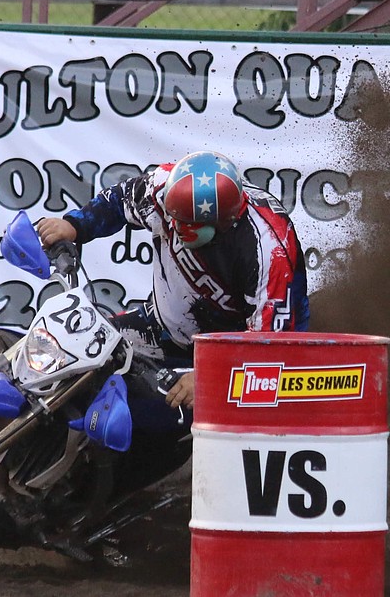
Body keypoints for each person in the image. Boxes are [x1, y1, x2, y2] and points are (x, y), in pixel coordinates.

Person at [37, 150, 310, 416]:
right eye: (170, 214)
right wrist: (75, 225)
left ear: (220, 223)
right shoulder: (162, 188)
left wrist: (207, 375)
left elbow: (272, 346)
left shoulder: (268, 250)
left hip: (231, 357)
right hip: (161, 327)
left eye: (184, 222)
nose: (172, 225)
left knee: (153, 414)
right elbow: (119, 200)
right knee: (80, 353)